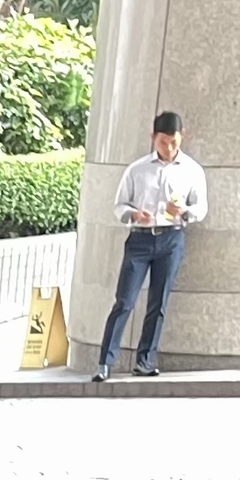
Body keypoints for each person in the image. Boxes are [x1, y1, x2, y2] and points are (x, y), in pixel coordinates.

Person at [95, 110, 206, 380]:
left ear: (182, 137)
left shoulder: (192, 170)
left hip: (172, 237)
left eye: (174, 142)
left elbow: (201, 208)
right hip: (141, 239)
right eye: (163, 142)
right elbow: (119, 204)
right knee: (124, 300)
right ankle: (105, 362)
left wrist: (183, 212)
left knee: (159, 302)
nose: (168, 148)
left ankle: (145, 361)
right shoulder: (137, 169)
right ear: (153, 138)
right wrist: (134, 214)